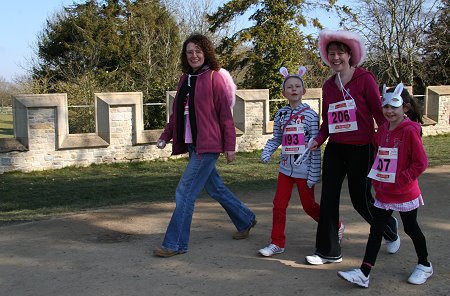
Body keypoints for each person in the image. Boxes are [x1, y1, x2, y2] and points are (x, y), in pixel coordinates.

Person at [153, 33, 257, 257]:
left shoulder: (214, 77)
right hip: (192, 145)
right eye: (190, 52)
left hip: (208, 145)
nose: (194, 55)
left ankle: (175, 244)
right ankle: (246, 219)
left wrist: (230, 146)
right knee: (214, 188)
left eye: (198, 51)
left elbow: (225, 116)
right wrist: (165, 136)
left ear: (206, 52)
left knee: (185, 192)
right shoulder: (185, 79)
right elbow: (176, 115)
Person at [305, 29, 399, 265]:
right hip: (336, 148)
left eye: (340, 53)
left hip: (362, 147)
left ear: (349, 55)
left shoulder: (365, 78)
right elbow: (329, 120)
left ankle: (388, 227)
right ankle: (328, 251)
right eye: (331, 54)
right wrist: (317, 140)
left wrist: (388, 141)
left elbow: (379, 114)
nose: (335, 58)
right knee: (328, 197)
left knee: (360, 199)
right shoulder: (328, 86)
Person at [337, 83, 432, 287]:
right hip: (384, 193)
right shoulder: (381, 131)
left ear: (405, 108)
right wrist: (378, 179)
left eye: (393, 106)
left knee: (411, 228)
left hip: (405, 192)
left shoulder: (410, 131)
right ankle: (364, 273)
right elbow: (380, 155)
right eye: (385, 106)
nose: (389, 111)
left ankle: (425, 264)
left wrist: (401, 178)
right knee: (376, 230)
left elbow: (421, 163)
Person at [258, 66, 344, 257]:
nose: (294, 89)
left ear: (304, 91)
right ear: (284, 92)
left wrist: (314, 173)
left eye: (297, 86)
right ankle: (277, 242)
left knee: (309, 206)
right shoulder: (280, 114)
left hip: (304, 170)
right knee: (278, 205)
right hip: (285, 169)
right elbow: (276, 138)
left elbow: (315, 145)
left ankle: (335, 226)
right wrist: (267, 151)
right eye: (289, 87)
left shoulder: (311, 116)